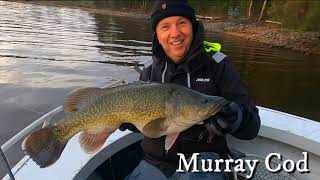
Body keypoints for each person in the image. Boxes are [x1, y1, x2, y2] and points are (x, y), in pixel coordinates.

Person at [120, 0, 261, 179]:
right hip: (154, 162)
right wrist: (128, 121)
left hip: (205, 162)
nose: (175, 33)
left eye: (182, 23)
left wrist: (236, 118)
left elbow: (252, 127)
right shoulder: (149, 71)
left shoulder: (218, 65)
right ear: (157, 34)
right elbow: (148, 126)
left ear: (193, 26)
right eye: (165, 26)